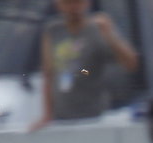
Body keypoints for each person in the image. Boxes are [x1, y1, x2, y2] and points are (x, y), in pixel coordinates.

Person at [31, 0, 140, 131]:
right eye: (68, 3)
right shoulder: (52, 30)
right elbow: (48, 74)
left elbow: (131, 63)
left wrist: (110, 35)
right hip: (61, 119)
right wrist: (47, 115)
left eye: (78, 2)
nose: (73, 7)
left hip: (94, 118)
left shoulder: (96, 30)